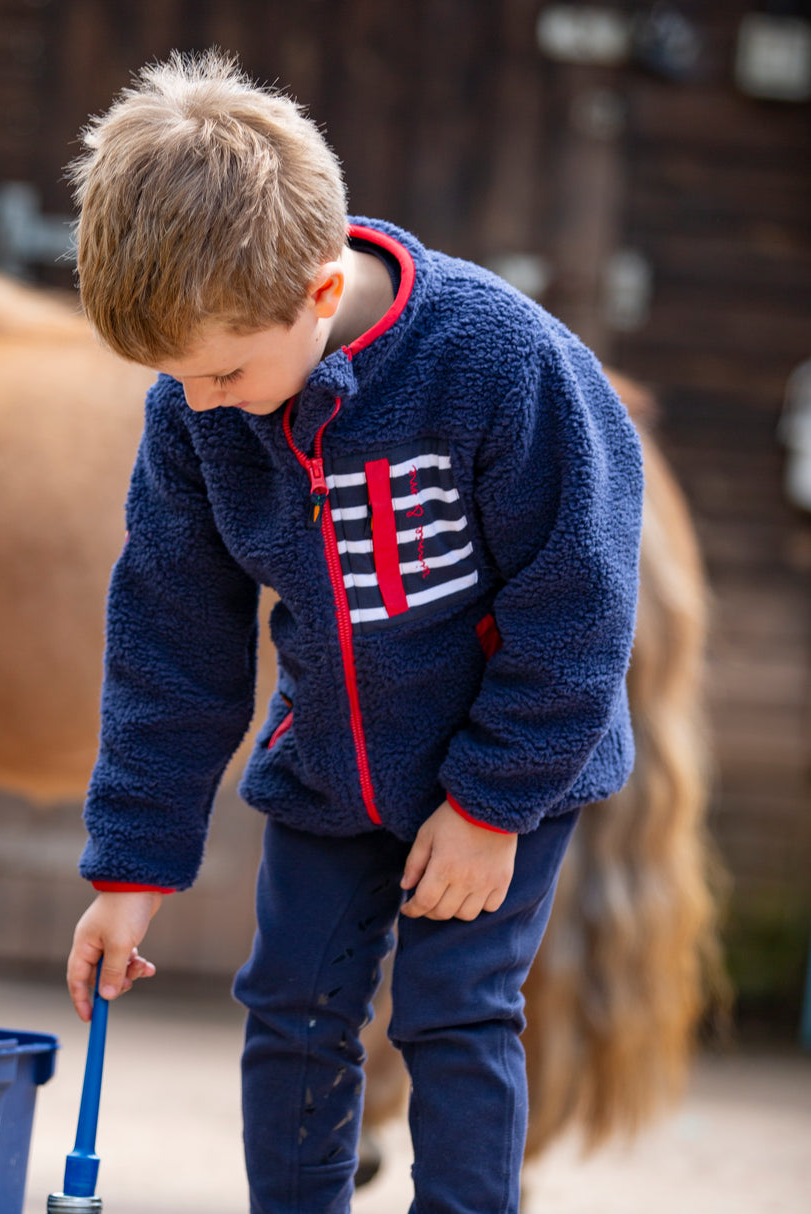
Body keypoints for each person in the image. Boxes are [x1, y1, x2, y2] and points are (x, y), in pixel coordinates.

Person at [64, 51, 644, 1214]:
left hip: (504, 771)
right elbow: (172, 635)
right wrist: (131, 868)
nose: (205, 400)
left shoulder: (504, 363)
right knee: (291, 1005)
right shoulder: (196, 410)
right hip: (331, 761)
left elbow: (577, 606)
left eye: (226, 370)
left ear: (320, 294)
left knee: (452, 1009)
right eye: (181, 379)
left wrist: (487, 806)